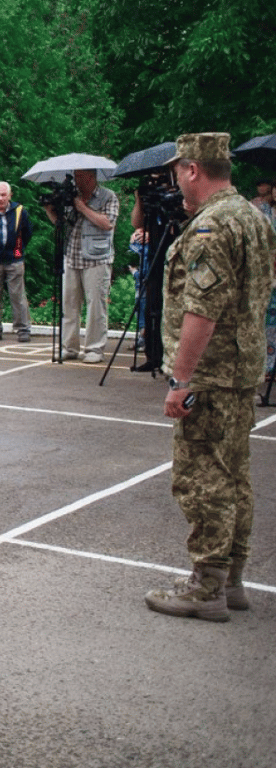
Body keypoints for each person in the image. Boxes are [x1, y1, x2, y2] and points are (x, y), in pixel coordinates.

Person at [144, 133, 275, 622]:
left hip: (211, 376)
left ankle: (206, 587)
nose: (175, 177)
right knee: (234, 475)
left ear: (194, 169)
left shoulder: (214, 227)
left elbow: (203, 309)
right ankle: (232, 579)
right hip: (241, 370)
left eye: (179, 169)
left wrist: (181, 381)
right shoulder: (250, 217)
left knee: (202, 480)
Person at [45, 169, 118, 363]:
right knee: (69, 304)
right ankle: (69, 347)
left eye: (79, 176)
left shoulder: (107, 196)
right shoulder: (71, 196)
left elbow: (107, 223)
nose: (76, 180)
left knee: (96, 305)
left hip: (97, 258)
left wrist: (83, 208)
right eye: (75, 176)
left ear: (91, 177)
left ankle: (94, 349)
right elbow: (62, 225)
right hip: (72, 256)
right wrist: (50, 211)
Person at [0, 181, 35, 343]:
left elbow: (27, 234)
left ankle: (23, 330)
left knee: (18, 297)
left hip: (14, 260)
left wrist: (17, 250)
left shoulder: (20, 211)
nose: (0, 198)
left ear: (10, 195)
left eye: (3, 195)